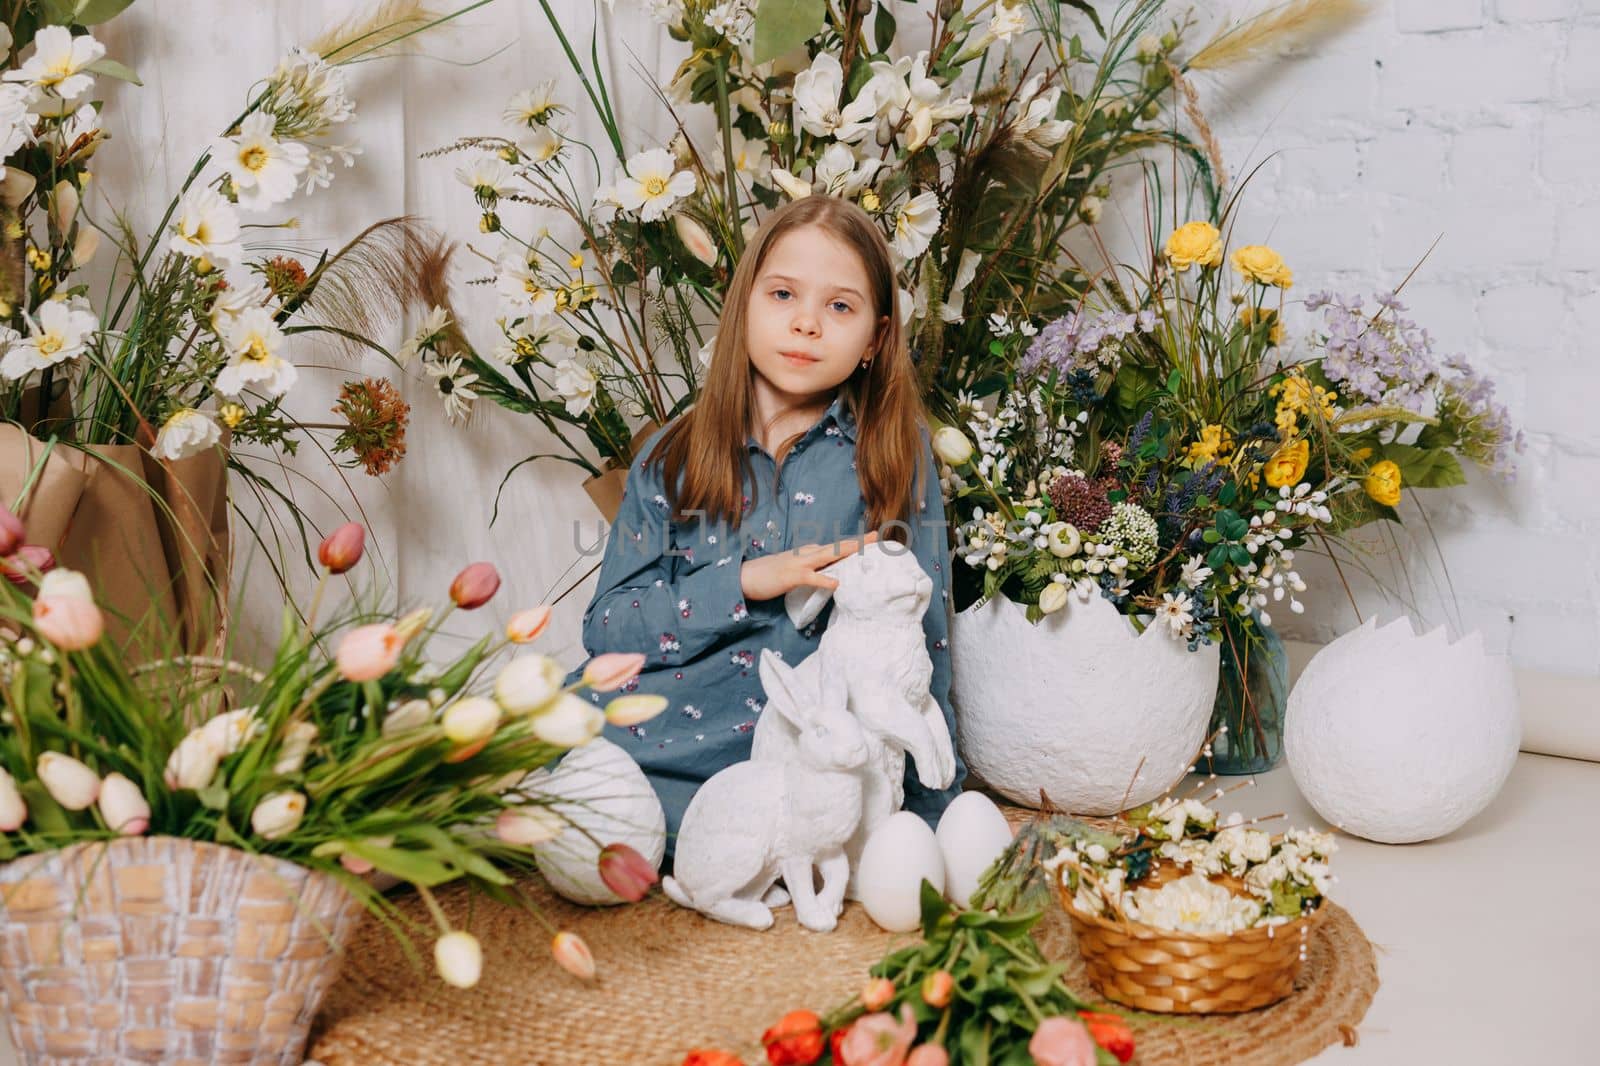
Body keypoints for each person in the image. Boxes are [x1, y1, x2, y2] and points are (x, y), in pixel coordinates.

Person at [566, 195, 964, 852]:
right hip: (682, 708)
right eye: (783, 295)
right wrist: (746, 580)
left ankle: (698, 830)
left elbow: (926, 636)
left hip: (806, 725)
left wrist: (928, 814)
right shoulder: (670, 455)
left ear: (875, 340)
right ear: (744, 305)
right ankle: (671, 822)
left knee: (821, 791)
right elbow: (608, 629)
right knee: (539, 732)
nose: (807, 323)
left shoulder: (892, 449)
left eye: (840, 306)